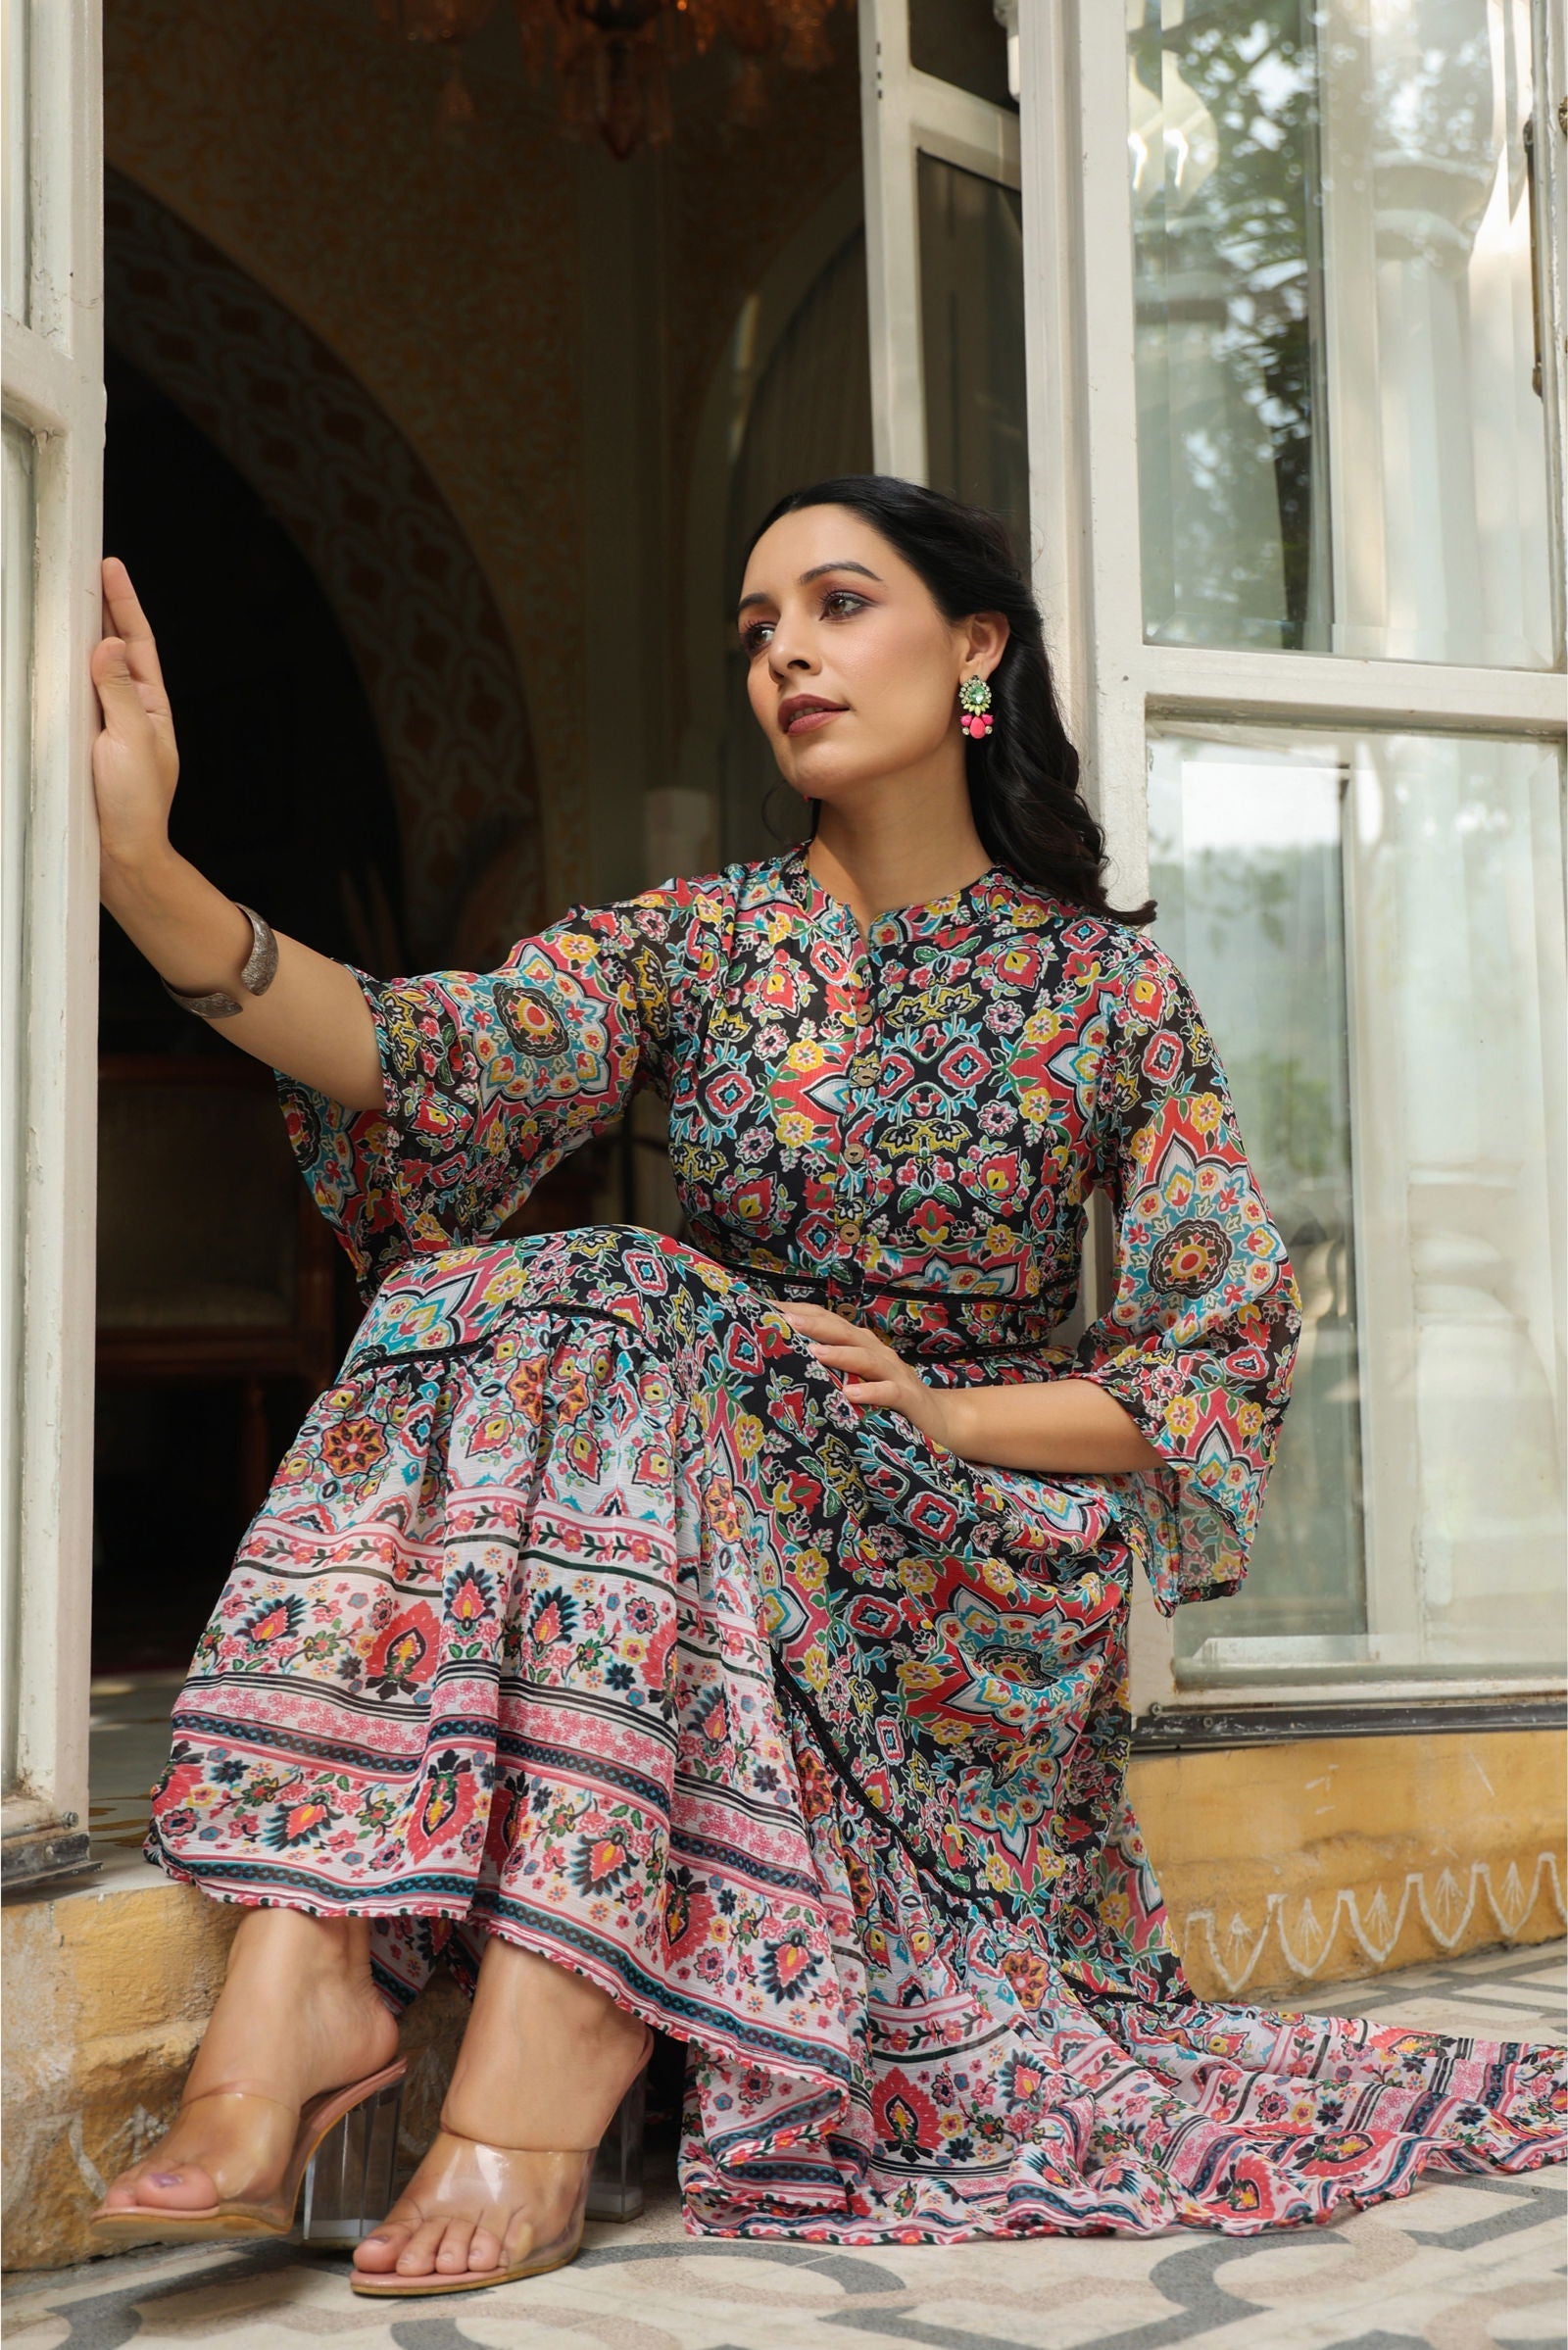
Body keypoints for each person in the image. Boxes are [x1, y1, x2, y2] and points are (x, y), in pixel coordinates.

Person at [88, 477, 1563, 2295]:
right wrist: (147, 873)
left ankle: (508, 2039)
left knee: (619, 1299)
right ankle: (312, 1969)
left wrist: (945, 1413)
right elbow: (424, 1058)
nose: (785, 647)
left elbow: (1214, 1369)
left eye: (839, 602)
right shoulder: (697, 943)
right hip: (710, 1476)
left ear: (975, 646)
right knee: (545, 1292)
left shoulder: (1109, 996)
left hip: (970, 1558)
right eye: (759, 624)